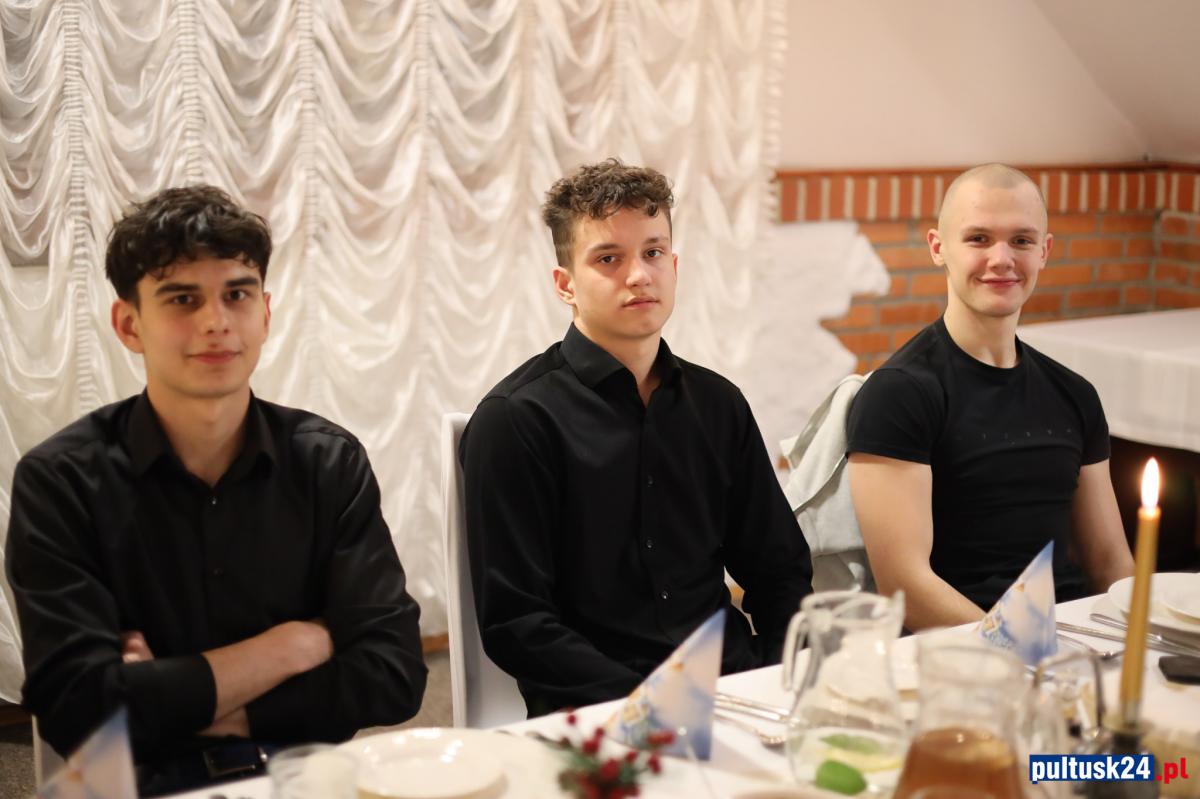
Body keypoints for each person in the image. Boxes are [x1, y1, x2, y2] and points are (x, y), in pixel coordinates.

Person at [6, 185, 427, 795]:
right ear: (128, 324)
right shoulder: (62, 479)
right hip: (136, 784)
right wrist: (292, 646)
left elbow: (394, 673)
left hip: (301, 775)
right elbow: (78, 711)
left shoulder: (328, 462)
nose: (216, 322)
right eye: (183, 299)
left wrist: (172, 699)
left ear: (266, 313)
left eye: (237, 294)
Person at [459, 159, 813, 716]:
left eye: (652, 252)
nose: (639, 275)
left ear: (673, 265)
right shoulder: (515, 420)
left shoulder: (718, 404)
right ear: (565, 285)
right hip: (598, 712)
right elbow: (517, 623)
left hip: (734, 691)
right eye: (608, 258)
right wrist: (655, 707)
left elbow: (779, 572)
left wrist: (780, 676)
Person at [846, 164, 1134, 630]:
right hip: (958, 648)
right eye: (978, 238)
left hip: (1074, 639)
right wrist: (1014, 654)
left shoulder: (1075, 394)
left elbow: (1109, 561)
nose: (1001, 259)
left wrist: (1137, 639)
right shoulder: (899, 393)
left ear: (1044, 251)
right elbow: (906, 587)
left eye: (1021, 240)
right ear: (938, 248)